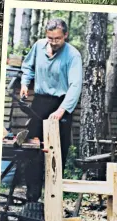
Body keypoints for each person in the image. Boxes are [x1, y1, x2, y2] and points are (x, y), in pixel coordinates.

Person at [20, 18, 83, 202]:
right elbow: (27, 67)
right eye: (50, 38)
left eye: (57, 38)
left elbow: (75, 85)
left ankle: (52, 198)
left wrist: (62, 109)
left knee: (57, 152)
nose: (53, 42)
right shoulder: (39, 46)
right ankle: (32, 197)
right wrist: (25, 83)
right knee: (32, 148)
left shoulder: (73, 55)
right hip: (39, 103)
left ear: (65, 35)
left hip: (61, 105)